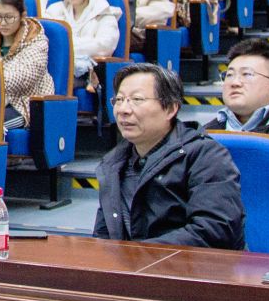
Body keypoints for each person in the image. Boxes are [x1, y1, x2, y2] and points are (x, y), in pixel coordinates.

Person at [93, 63, 244, 249]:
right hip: (134, 264)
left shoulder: (206, 155)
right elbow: (103, 235)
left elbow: (215, 230)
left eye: (136, 99)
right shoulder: (114, 163)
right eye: (119, 99)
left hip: (188, 265)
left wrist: (136, 254)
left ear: (171, 109)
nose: (123, 109)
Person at [44, 0, 121, 88]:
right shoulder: (54, 11)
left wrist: (64, 46)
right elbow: (45, 41)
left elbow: (104, 46)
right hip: (56, 65)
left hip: (88, 73)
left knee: (54, 81)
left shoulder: (103, 12)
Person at [0, 0, 51, 116]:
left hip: (23, 104)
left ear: (22, 16)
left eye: (9, 17)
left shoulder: (36, 41)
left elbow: (23, 78)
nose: (3, 23)